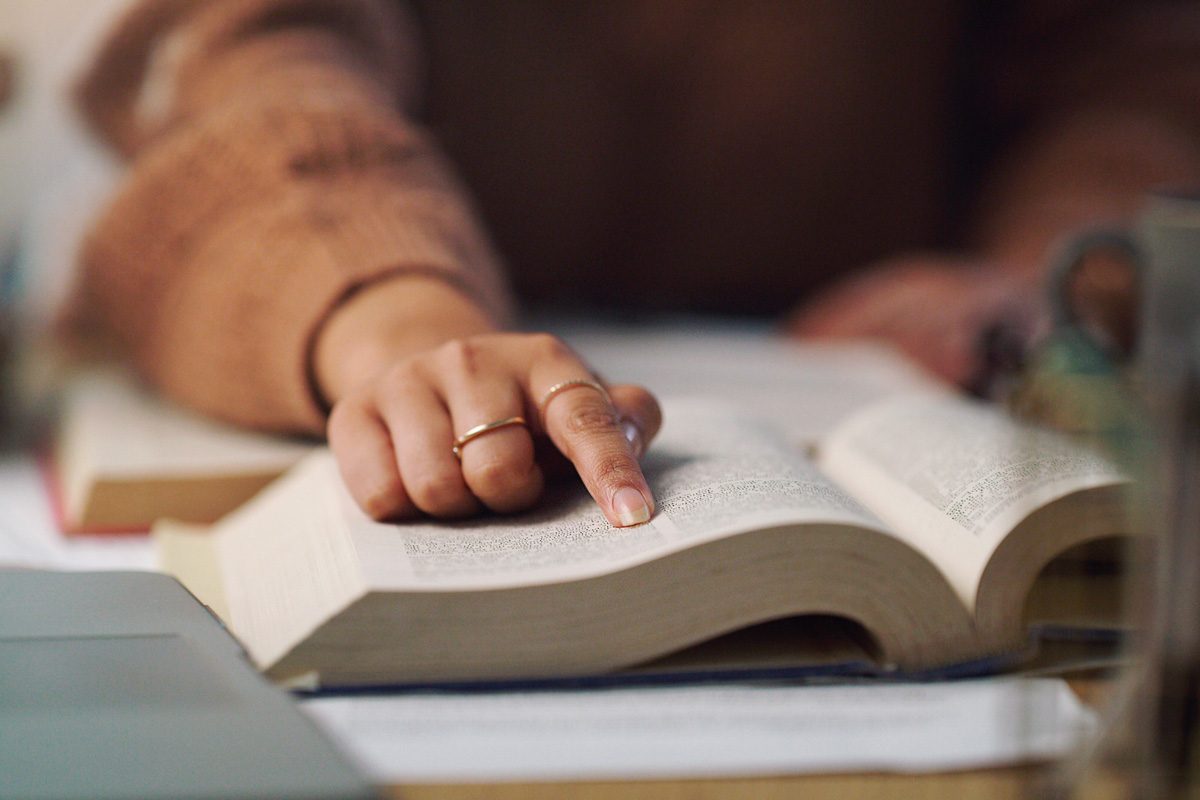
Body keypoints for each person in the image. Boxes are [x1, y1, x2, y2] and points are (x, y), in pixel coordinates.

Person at [68, 1, 1200, 527]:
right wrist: (399, 319)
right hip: (405, 333)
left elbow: (1122, 72)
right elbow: (251, 68)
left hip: (921, 398)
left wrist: (1041, 265)